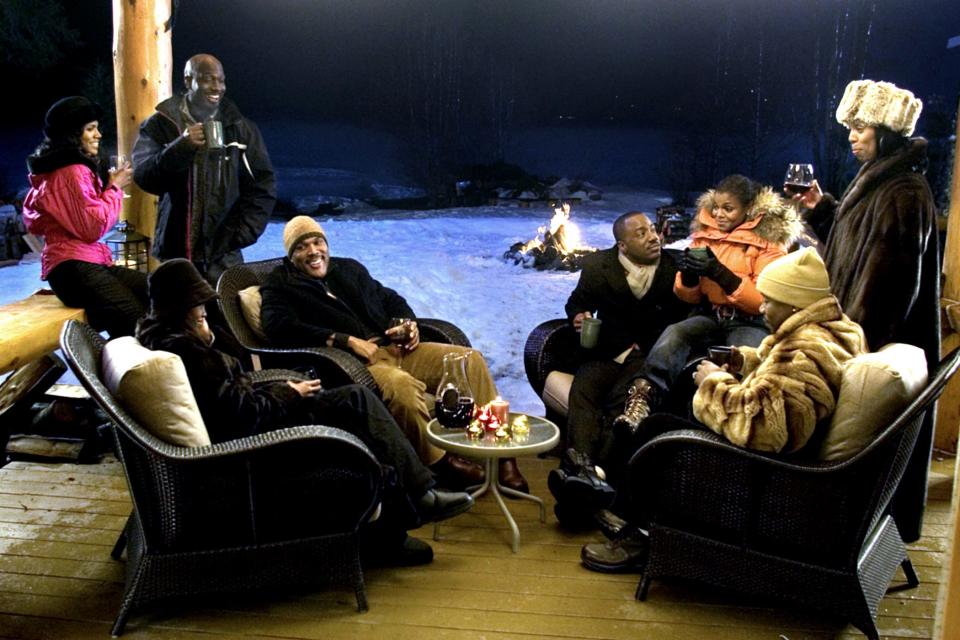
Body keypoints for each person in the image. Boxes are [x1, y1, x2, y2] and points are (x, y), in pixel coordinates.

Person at [136, 258, 474, 566]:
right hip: (254, 447)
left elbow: (232, 397)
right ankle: (404, 515)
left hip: (260, 417)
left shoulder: (171, 337)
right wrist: (287, 392)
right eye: (199, 312)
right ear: (181, 310)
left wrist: (275, 384)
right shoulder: (188, 351)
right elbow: (242, 414)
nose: (205, 315)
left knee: (356, 402)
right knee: (357, 404)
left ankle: (410, 502)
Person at [580, 247, 867, 572]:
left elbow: (769, 429)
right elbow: (785, 382)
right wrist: (744, 361)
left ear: (795, 304)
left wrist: (715, 383)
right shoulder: (828, 332)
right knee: (674, 409)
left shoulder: (806, 351)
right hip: (781, 460)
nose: (761, 306)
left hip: (769, 470)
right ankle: (630, 514)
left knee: (657, 430)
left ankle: (643, 539)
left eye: (770, 301)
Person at [260, 216, 528, 493]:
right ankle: (441, 464)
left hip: (395, 347)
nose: (314, 251)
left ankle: (500, 453)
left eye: (318, 242)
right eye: (302, 247)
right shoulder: (279, 284)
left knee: (470, 360)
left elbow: (390, 298)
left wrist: (406, 324)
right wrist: (345, 340)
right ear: (291, 255)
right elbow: (278, 326)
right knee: (401, 387)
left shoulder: (349, 268)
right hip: (357, 363)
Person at [793, 79, 939, 542]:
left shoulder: (905, 192)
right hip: (850, 330)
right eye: (850, 127)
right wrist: (822, 209)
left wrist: (845, 344)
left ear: (887, 131)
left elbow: (891, 289)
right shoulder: (881, 180)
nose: (852, 136)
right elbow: (854, 237)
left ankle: (861, 530)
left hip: (868, 338)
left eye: (860, 126)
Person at [613, 174, 802, 431]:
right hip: (712, 315)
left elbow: (763, 299)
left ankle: (736, 422)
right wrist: (689, 277)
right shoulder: (704, 235)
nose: (719, 214)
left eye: (728, 209)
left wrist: (721, 273)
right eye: (716, 207)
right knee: (675, 333)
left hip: (751, 320)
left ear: (749, 210)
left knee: (746, 359)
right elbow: (688, 296)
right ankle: (642, 401)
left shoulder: (769, 242)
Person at [548, 212, 692, 525]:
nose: (653, 237)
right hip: (606, 352)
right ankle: (582, 472)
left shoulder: (675, 267)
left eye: (652, 230)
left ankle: (589, 483)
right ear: (623, 246)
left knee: (621, 402)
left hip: (648, 360)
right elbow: (576, 302)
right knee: (583, 392)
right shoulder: (599, 266)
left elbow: (688, 317)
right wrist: (579, 316)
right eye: (641, 233)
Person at [132, 54, 276, 285]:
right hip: (175, 252)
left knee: (226, 316)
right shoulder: (160, 124)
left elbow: (263, 186)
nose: (217, 87)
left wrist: (242, 232)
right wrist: (180, 147)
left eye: (221, 80)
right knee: (176, 319)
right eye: (209, 79)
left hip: (224, 256)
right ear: (189, 81)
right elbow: (144, 177)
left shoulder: (240, 128)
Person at [23, 96, 147, 337]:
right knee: (135, 320)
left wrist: (106, 188)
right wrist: (115, 189)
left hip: (84, 263)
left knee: (159, 289)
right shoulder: (72, 171)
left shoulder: (63, 170)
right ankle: (130, 371)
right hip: (73, 268)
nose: (99, 134)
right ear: (72, 133)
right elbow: (93, 227)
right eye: (91, 128)